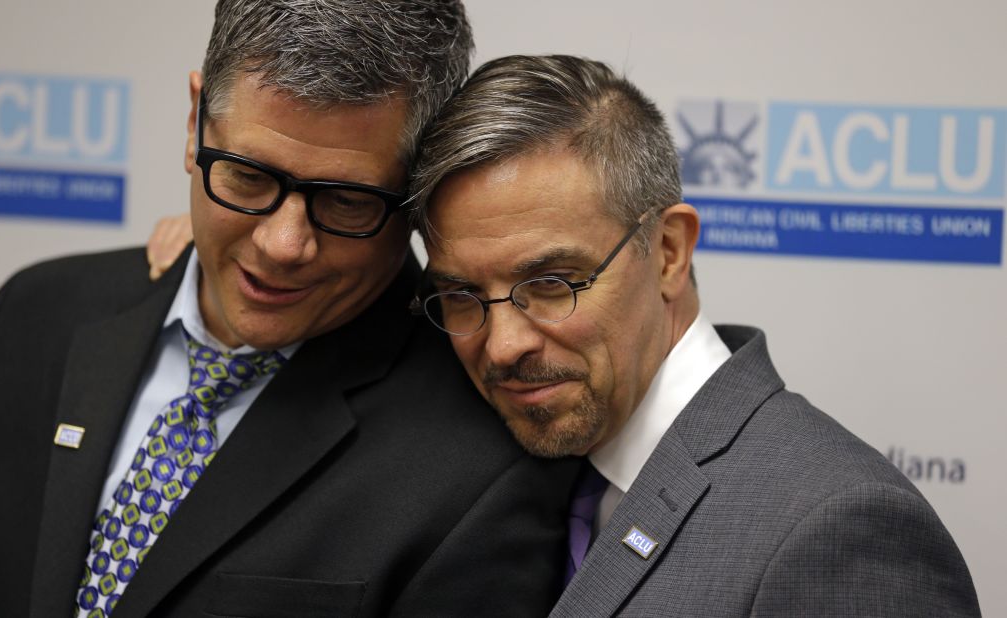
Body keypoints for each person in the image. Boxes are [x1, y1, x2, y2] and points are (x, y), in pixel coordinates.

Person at [0, 4, 581, 617]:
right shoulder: (35, 315)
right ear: (194, 119)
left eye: (346, 201)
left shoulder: (481, 468)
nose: (282, 245)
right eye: (248, 176)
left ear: (418, 192)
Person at [406, 55, 981, 616]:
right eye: (460, 296)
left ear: (669, 252)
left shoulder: (839, 528)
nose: (503, 346)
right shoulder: (523, 478)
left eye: (553, 282)